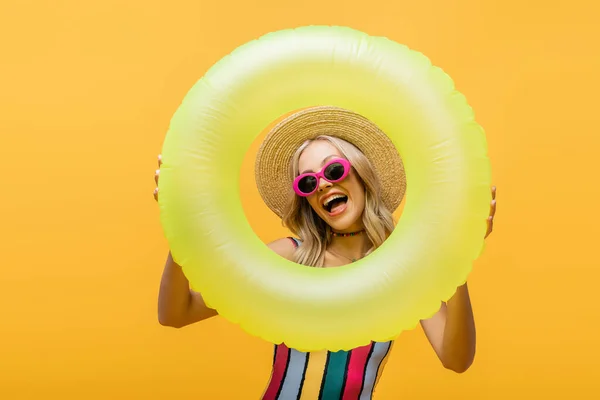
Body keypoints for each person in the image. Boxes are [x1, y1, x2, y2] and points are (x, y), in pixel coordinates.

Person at [154, 106, 497, 400]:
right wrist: (181, 229)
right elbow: (177, 313)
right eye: (308, 182)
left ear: (361, 175)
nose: (323, 185)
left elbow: (456, 359)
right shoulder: (290, 258)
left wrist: (457, 258)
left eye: (334, 170)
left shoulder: (403, 268)